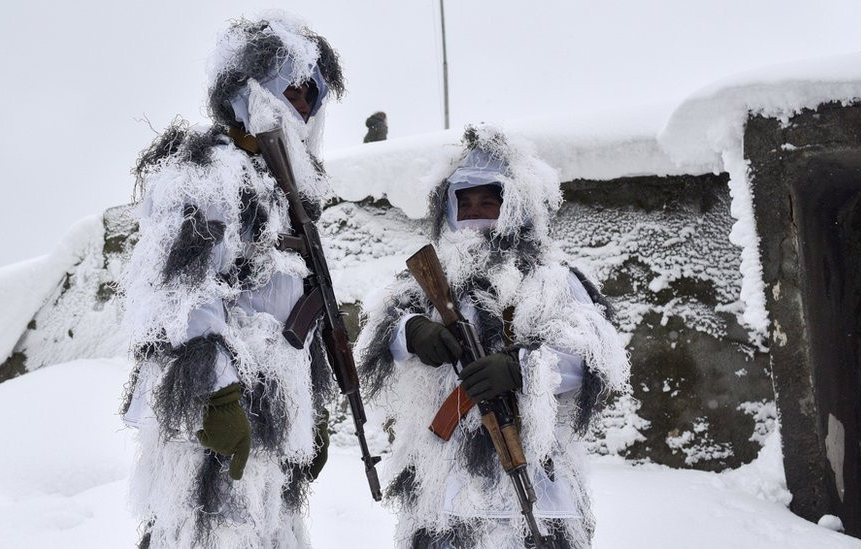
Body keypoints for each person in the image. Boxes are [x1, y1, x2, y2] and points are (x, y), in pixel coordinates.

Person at [119, 14, 345, 549]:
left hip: (273, 413)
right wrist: (215, 396)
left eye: (311, 97)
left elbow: (302, 314)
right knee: (203, 531)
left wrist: (310, 410)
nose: (301, 106)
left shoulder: (288, 196)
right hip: (217, 414)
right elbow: (179, 292)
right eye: (291, 88)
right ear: (250, 87)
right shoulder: (207, 172)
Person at [356, 125, 630, 548]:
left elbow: (593, 353)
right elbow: (379, 326)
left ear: (515, 206)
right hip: (443, 486)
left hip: (535, 481)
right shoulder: (427, 281)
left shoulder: (552, 280)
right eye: (465, 203)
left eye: (489, 201)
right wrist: (412, 331)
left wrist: (521, 368)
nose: (475, 213)